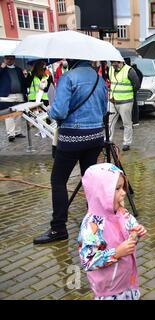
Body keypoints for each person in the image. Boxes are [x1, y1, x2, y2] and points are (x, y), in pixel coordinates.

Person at [33, 59, 108, 244]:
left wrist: (50, 112)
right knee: (89, 180)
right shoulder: (99, 79)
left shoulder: (68, 77)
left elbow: (58, 112)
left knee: (58, 180)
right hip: (96, 135)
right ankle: (94, 225)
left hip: (72, 136)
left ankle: (58, 228)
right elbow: (104, 108)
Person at [77, 163, 147, 300]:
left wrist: (137, 231)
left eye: (123, 187)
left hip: (128, 282)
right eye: (117, 189)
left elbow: (131, 229)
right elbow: (88, 261)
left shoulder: (122, 212)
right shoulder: (92, 225)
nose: (124, 192)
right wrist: (116, 253)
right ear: (101, 192)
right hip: (109, 291)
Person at [108, 60, 141, 151]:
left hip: (125, 101)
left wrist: (128, 93)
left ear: (121, 62)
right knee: (110, 122)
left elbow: (137, 85)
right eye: (112, 63)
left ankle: (127, 142)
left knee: (126, 123)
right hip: (112, 100)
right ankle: (108, 139)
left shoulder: (129, 70)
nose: (114, 65)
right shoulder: (111, 69)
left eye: (116, 63)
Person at [0, 55, 27, 142]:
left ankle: (17, 132)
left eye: (11, 59)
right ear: (4, 59)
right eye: (7, 58)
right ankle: (10, 134)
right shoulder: (2, 69)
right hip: (7, 96)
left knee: (18, 114)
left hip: (19, 95)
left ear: (14, 59)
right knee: (9, 115)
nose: (9, 60)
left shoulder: (18, 69)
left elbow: (23, 82)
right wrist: (1, 68)